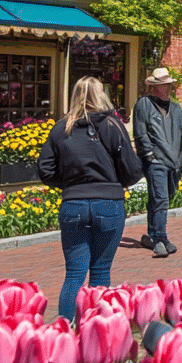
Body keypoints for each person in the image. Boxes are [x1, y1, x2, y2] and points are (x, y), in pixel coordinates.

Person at [38, 76, 143, 320]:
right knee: (100, 271)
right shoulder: (111, 125)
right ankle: (96, 331)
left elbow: (45, 169)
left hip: (73, 203)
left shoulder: (62, 128)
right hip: (108, 203)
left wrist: (68, 184)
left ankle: (65, 331)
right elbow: (132, 168)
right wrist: (116, 184)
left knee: (74, 274)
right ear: (101, 95)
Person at [132, 67, 182, 257]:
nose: (168, 88)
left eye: (169, 84)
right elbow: (140, 132)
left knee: (162, 197)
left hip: (174, 161)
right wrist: (149, 155)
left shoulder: (176, 108)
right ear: (154, 87)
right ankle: (160, 237)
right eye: (164, 85)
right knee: (160, 198)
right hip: (155, 161)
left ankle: (153, 233)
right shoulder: (144, 104)